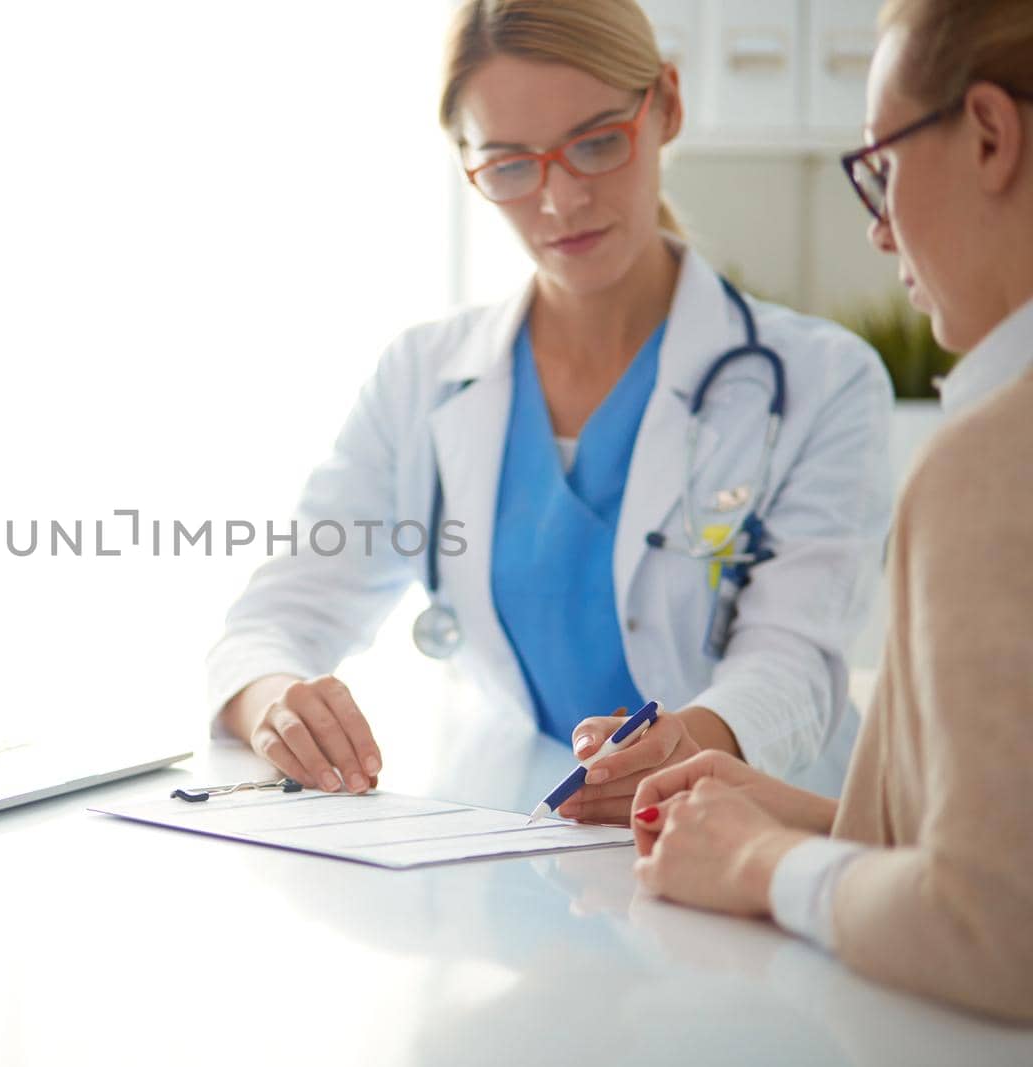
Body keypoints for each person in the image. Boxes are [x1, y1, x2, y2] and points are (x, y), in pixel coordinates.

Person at [206, 0, 894, 819]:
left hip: (755, 845)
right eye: (508, 164)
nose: (560, 201)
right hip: (521, 855)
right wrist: (276, 698)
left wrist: (692, 743)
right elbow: (273, 617)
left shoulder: (824, 380)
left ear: (667, 106)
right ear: (467, 162)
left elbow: (795, 659)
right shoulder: (420, 378)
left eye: (598, 143)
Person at [628, 0, 1033, 1022]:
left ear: (990, 135)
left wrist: (765, 861)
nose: (876, 224)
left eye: (882, 168)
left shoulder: (992, 460)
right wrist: (802, 815)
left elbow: (996, 920)